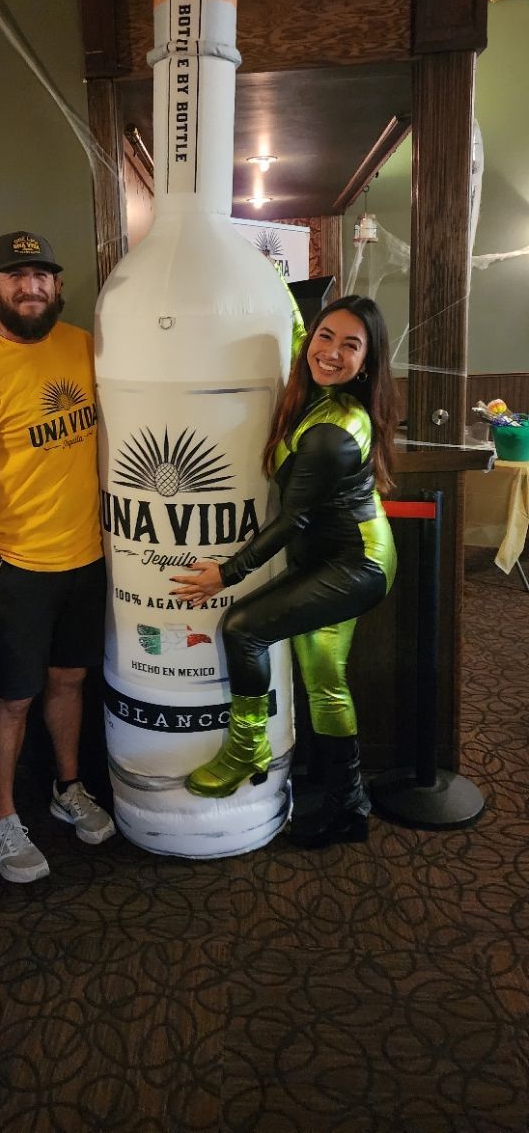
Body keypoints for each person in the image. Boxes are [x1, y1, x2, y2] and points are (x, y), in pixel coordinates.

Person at [170, 294, 398, 848]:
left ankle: (248, 746)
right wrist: (262, 268)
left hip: (355, 562)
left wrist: (225, 575)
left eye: (350, 346)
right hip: (339, 555)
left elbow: (292, 520)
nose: (331, 352)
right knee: (325, 677)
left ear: (365, 362)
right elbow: (298, 326)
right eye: (326, 337)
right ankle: (349, 804)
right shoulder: (317, 379)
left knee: (244, 628)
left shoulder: (331, 432)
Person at [0, 230, 114, 883]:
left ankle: (68, 789)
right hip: (17, 567)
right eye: (16, 276)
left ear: (57, 286)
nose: (30, 286)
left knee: (69, 681)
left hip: (86, 560)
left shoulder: (84, 349)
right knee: (14, 698)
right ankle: (2, 819)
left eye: (41, 274)